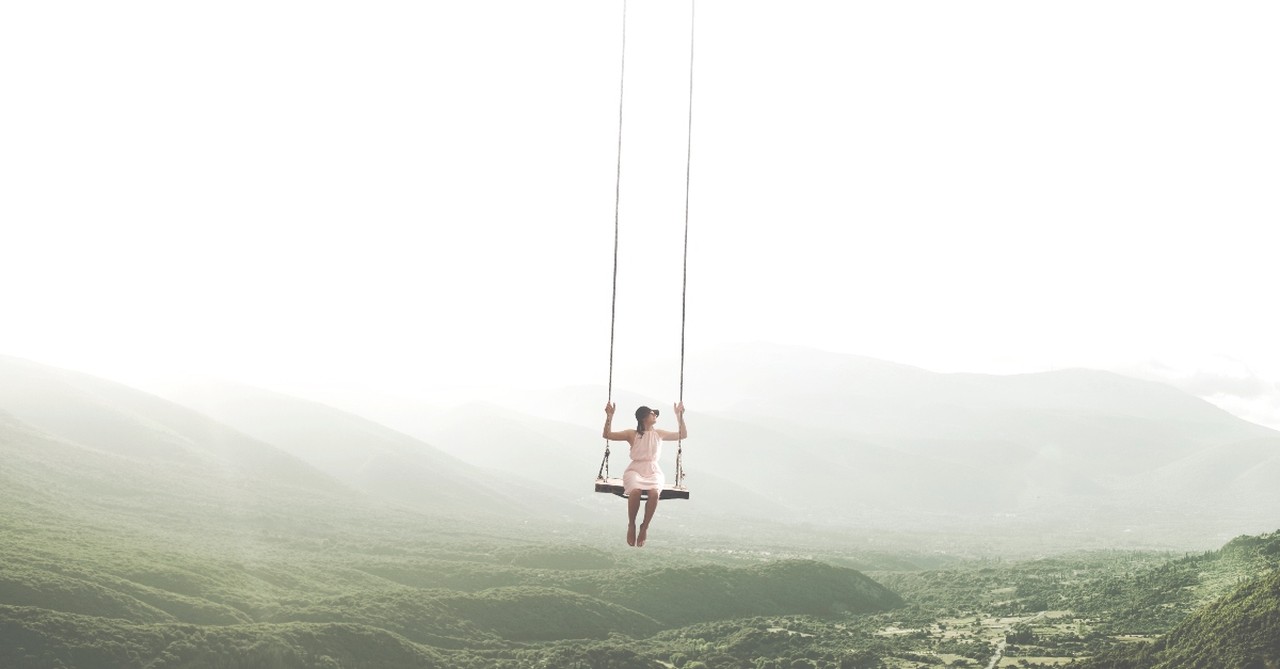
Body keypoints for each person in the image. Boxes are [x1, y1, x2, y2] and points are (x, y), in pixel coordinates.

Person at [602, 401, 687, 547]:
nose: (655, 415)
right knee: (635, 491)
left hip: (653, 470)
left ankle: (645, 527)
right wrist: (609, 416)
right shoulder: (632, 434)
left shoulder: (658, 434)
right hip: (635, 469)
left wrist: (679, 415)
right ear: (643, 417)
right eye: (652, 413)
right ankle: (631, 525)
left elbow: (682, 435)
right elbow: (607, 434)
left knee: (654, 493)